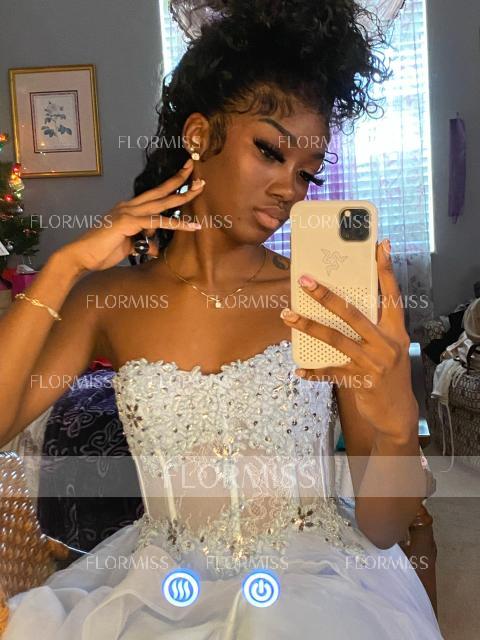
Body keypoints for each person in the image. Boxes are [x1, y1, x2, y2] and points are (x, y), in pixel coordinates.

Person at [0, 0, 443, 637]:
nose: (290, 189)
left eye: (306, 173)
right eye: (270, 151)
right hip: (156, 587)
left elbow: (381, 528)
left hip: (317, 585)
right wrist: (65, 266)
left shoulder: (322, 296)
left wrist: (398, 427)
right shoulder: (107, 299)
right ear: (199, 135)